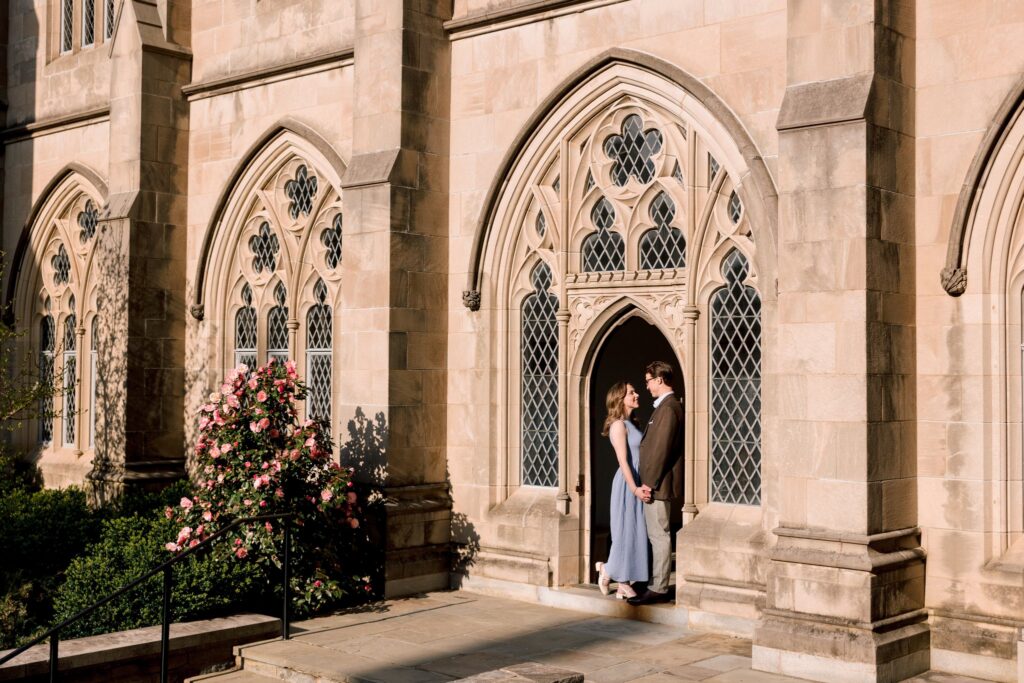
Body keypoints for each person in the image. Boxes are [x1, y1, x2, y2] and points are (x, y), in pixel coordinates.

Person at [628, 360, 684, 606]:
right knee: (656, 535)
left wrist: (648, 483)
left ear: (659, 380)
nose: (647, 386)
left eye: (649, 381)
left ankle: (659, 587)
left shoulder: (669, 408)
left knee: (659, 536)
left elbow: (661, 449)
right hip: (655, 484)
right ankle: (654, 582)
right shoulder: (664, 407)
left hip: (657, 486)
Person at [595, 382, 649, 600]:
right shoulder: (618, 425)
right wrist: (634, 488)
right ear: (620, 398)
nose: (636, 395)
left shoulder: (632, 422)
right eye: (631, 392)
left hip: (638, 480)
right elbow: (623, 461)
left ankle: (618, 579)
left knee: (635, 533)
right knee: (624, 532)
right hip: (628, 483)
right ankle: (612, 573)